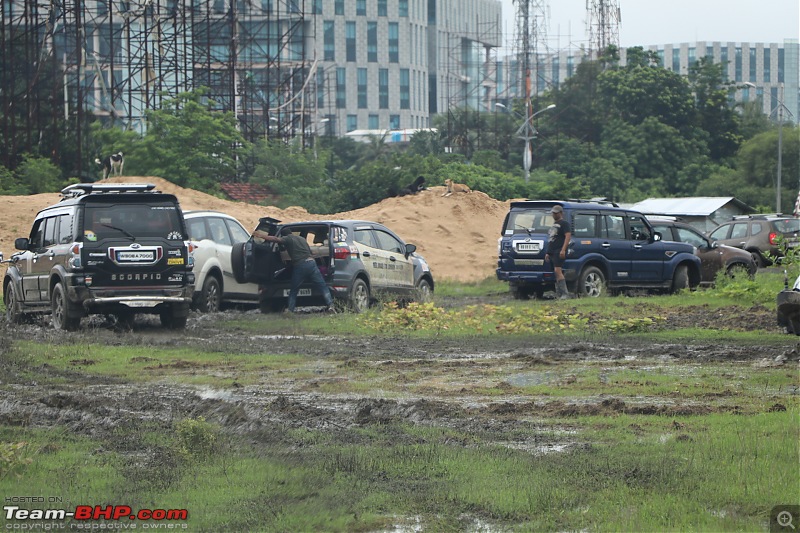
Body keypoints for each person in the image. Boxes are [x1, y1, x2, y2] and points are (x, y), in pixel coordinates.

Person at [255, 226, 335, 313]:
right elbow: (310, 252)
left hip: (300, 265)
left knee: (293, 290)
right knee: (323, 286)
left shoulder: (287, 239)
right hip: (312, 263)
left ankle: (290, 310)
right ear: (291, 232)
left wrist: (261, 236)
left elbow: (275, 239)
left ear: (284, 235)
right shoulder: (302, 239)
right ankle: (330, 306)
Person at [544, 205, 572, 300]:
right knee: (555, 272)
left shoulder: (564, 224)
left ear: (561, 213)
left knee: (558, 270)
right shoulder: (554, 224)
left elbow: (568, 236)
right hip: (552, 250)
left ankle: (565, 293)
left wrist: (563, 249)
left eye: (556, 213)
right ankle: (559, 293)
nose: (554, 214)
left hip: (559, 250)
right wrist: (548, 252)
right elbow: (551, 239)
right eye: (553, 213)